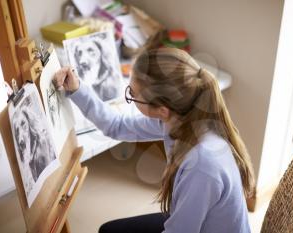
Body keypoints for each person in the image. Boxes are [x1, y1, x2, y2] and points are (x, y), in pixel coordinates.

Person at [54, 48, 255, 233]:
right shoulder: (178, 119)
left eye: (133, 93)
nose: (129, 97)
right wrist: (77, 89)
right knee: (109, 230)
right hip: (193, 221)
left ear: (161, 110)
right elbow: (116, 125)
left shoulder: (202, 165)